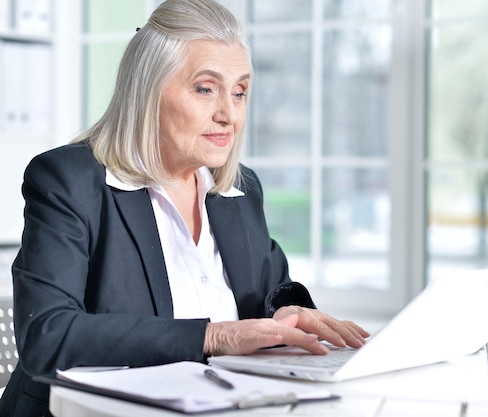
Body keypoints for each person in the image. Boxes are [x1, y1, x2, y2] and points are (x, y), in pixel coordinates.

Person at [0, 1, 369, 415]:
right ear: (148, 90)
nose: (229, 114)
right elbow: (48, 335)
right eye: (205, 88)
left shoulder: (240, 191)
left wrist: (287, 314)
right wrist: (212, 337)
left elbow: (269, 292)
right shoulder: (69, 180)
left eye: (240, 92)